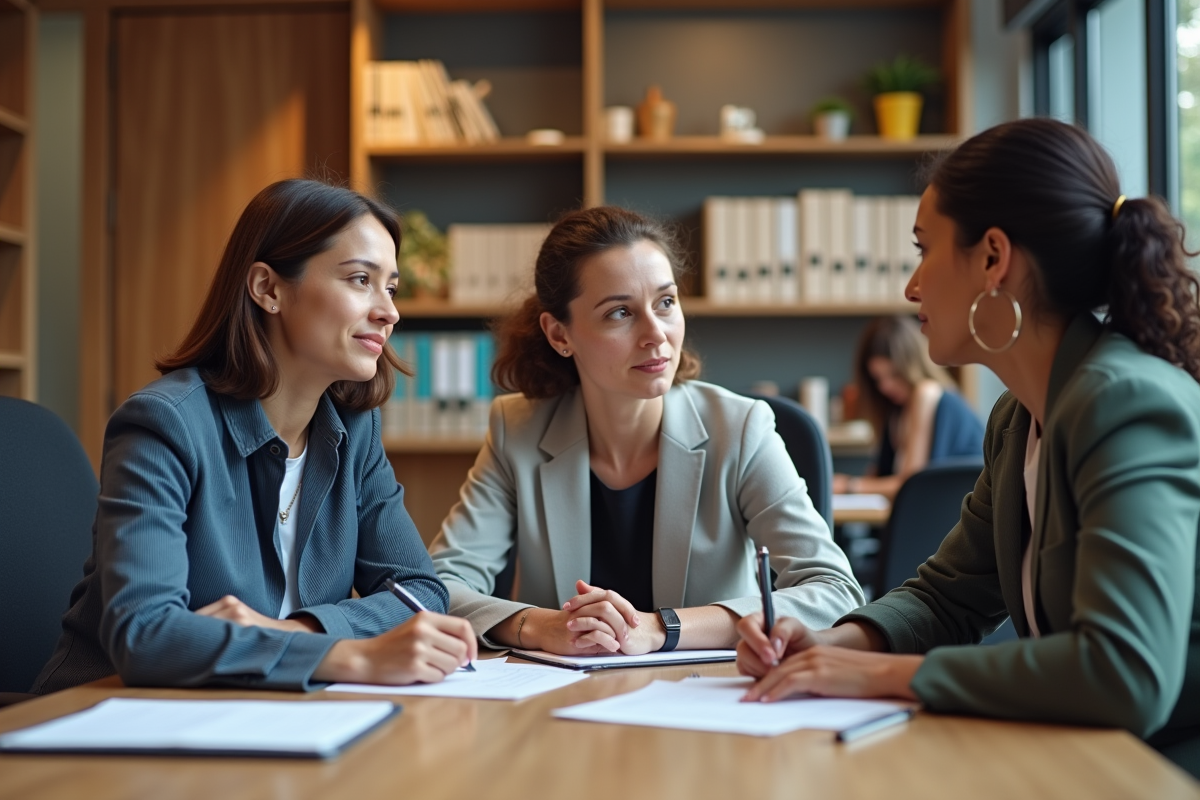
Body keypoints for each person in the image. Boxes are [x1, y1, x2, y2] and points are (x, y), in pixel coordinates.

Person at [734, 119, 1200, 777]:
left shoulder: (1124, 402)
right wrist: (830, 644)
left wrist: (879, 676)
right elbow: (947, 598)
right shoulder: (1018, 417)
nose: (911, 287)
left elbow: (1126, 673)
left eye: (924, 249)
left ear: (992, 259)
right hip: (1087, 759)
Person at [32, 179, 476, 695]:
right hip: (104, 717)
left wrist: (298, 632)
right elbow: (146, 635)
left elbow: (419, 592)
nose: (389, 312)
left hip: (259, 713)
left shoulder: (354, 428)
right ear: (268, 288)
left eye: (391, 288)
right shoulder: (164, 424)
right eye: (360, 280)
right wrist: (350, 654)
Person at [429, 206, 863, 656]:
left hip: (705, 689)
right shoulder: (516, 430)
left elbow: (834, 592)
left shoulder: (740, 428)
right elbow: (440, 587)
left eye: (666, 303)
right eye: (620, 312)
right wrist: (541, 627)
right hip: (562, 691)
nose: (656, 334)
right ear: (560, 334)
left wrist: (660, 629)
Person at [833, 315, 983, 500]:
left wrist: (850, 485)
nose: (885, 386)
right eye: (877, 378)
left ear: (912, 366)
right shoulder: (897, 411)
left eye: (895, 374)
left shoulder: (926, 393)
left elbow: (911, 484)